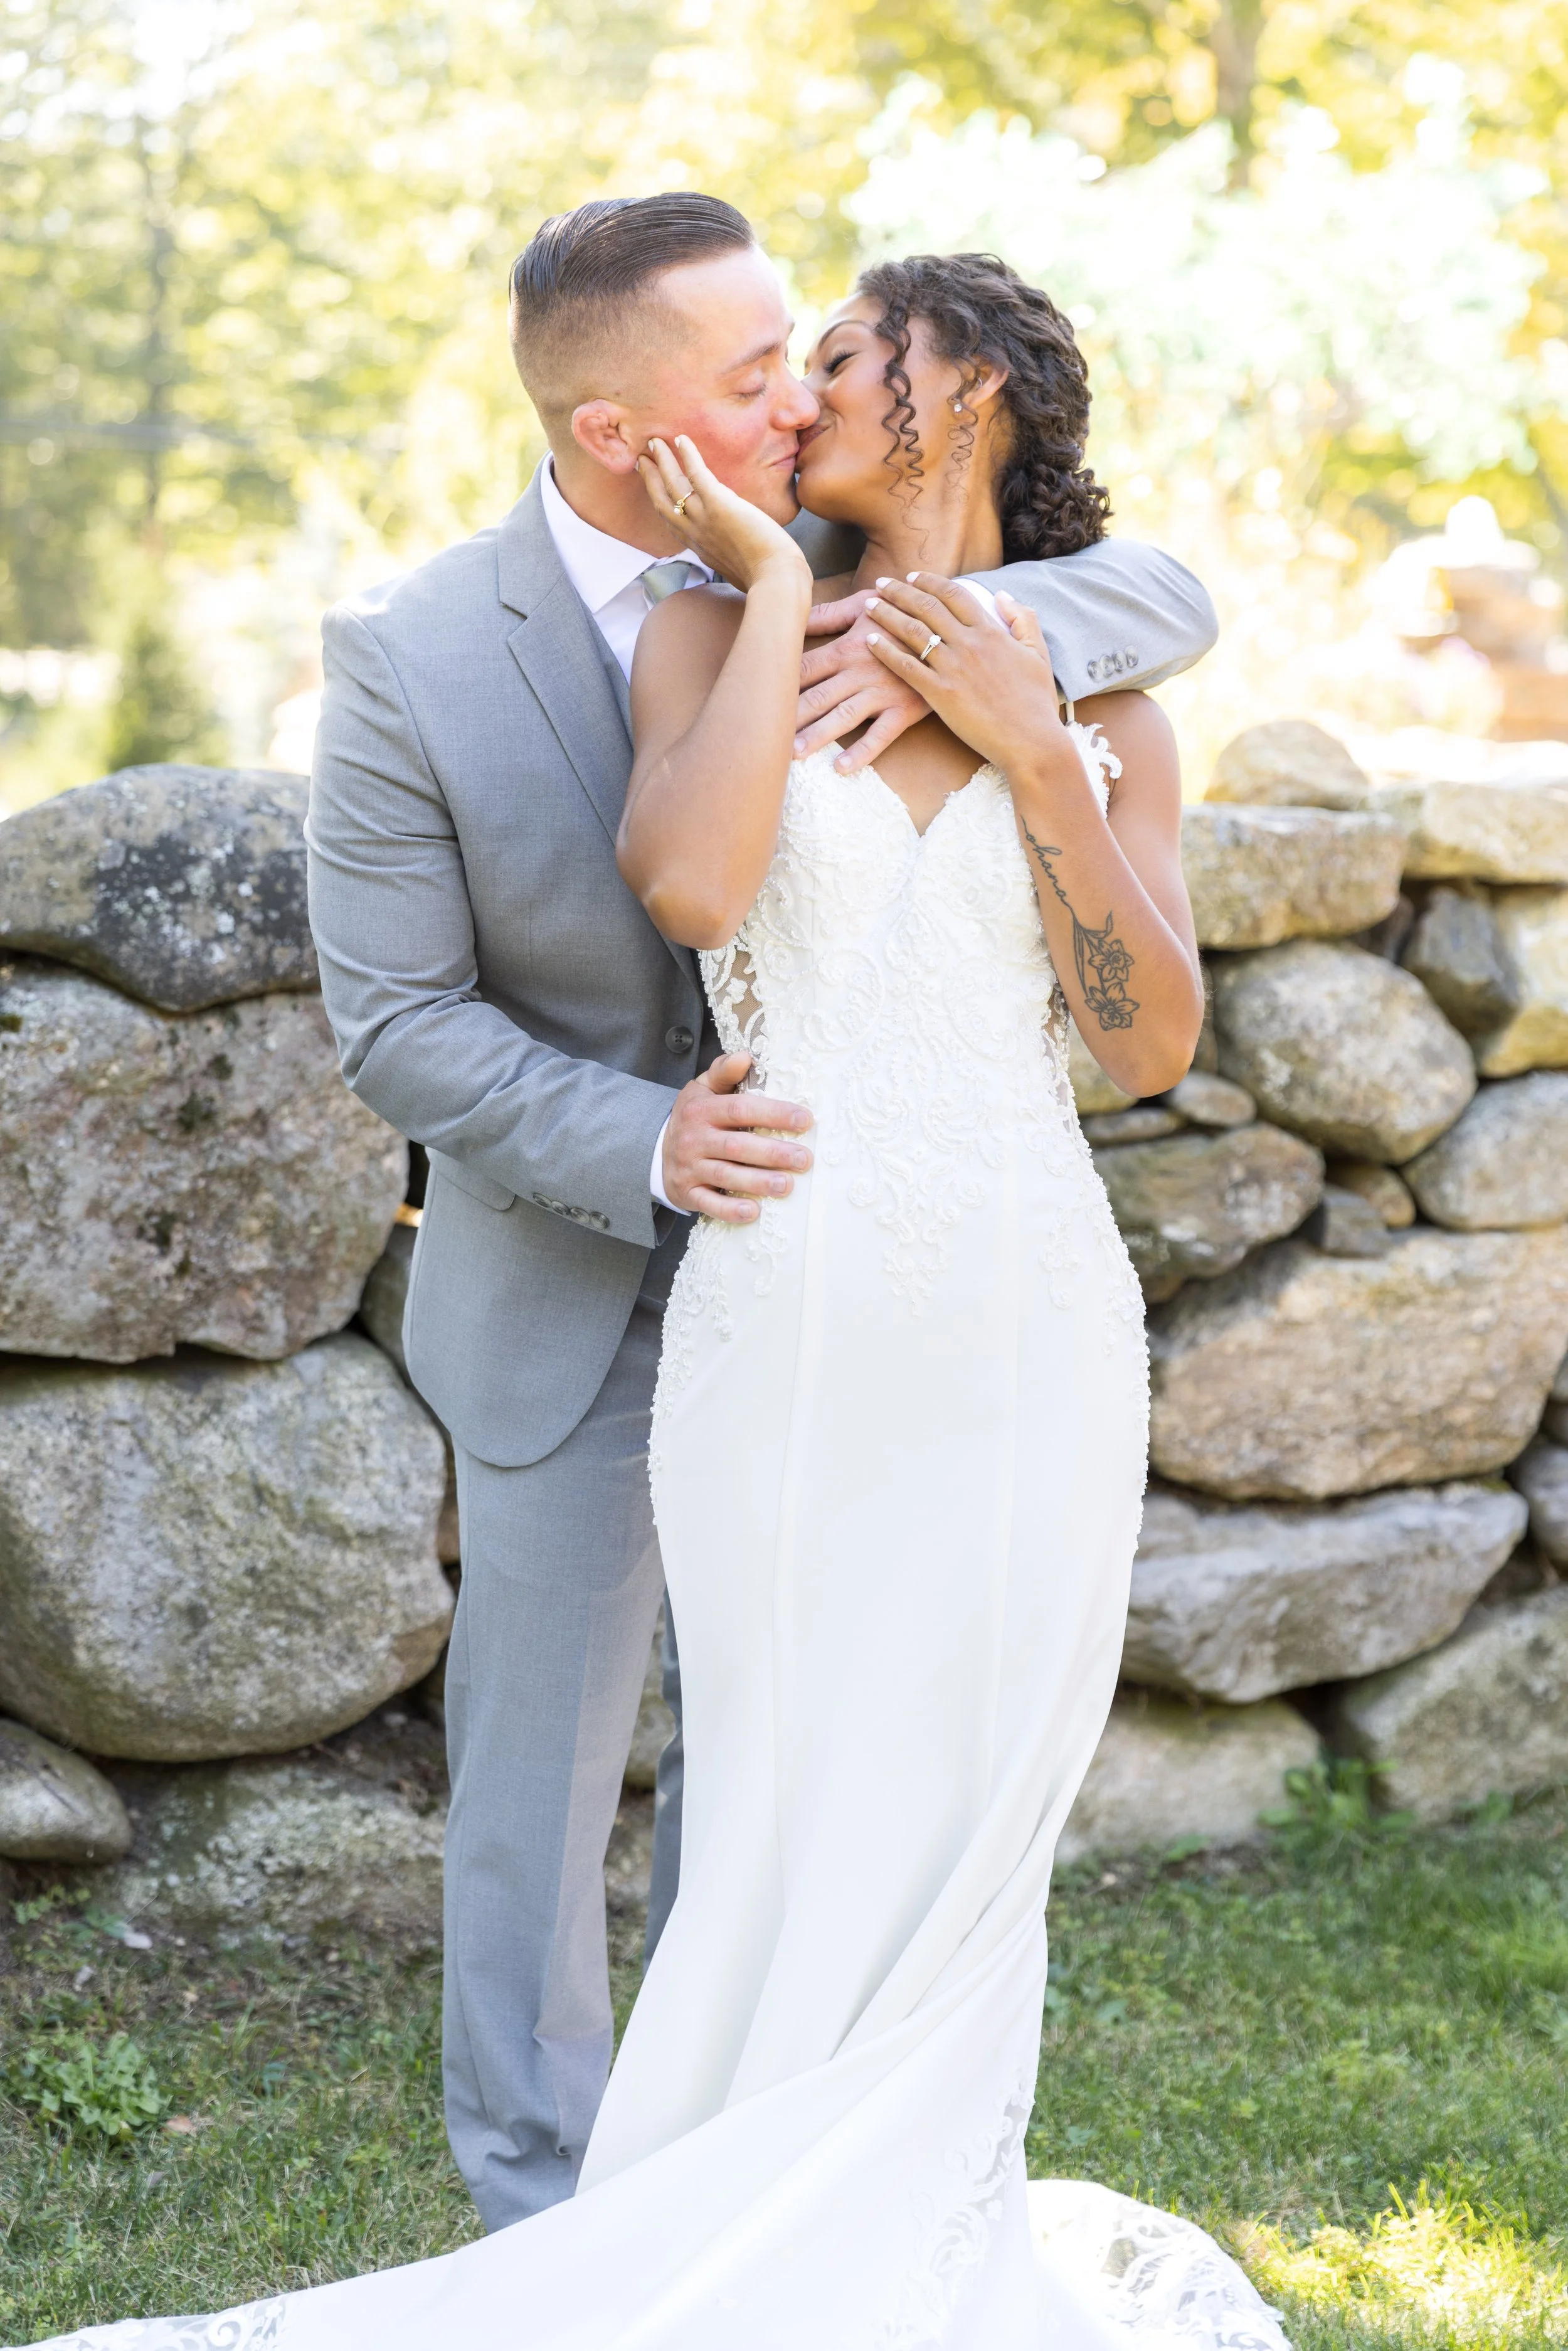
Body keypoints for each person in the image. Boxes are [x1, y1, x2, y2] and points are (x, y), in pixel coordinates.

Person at [13, 210, 1274, 2351]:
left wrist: (1013, 687)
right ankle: (562, 2233)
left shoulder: (1060, 645)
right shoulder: (446, 644)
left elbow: (1152, 923)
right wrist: (649, 1133)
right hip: (626, 1264)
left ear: (950, 396)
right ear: (619, 425)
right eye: (758, 367)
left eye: (823, 354)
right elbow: (402, 1016)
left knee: (889, 1770)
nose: (790, 395)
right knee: (554, 1771)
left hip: (988, 1291)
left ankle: (780, 2190)